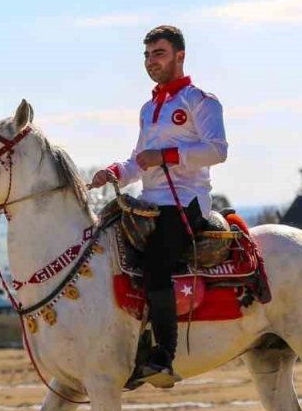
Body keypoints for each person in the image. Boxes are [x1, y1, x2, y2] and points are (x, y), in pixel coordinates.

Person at [90, 25, 228, 388]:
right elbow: (140, 161)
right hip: (149, 202)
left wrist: (166, 155)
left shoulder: (201, 101)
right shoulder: (149, 108)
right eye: (148, 55)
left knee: (155, 262)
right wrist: (115, 171)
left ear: (180, 56)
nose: (151, 62)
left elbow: (218, 150)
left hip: (186, 202)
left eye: (160, 54)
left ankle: (163, 355)